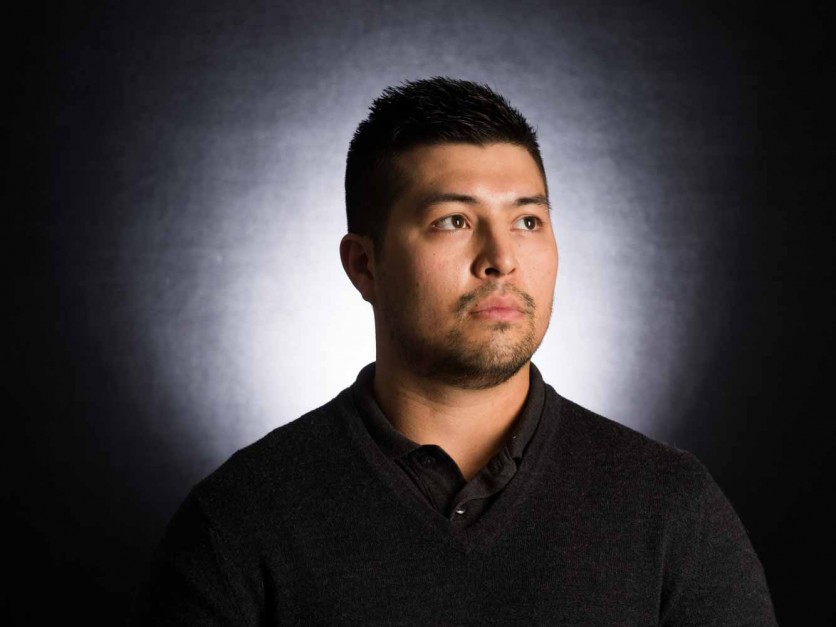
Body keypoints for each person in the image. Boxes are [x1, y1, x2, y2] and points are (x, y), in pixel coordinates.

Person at [131, 77, 777, 625]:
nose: (502, 258)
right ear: (364, 265)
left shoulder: (671, 509)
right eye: (454, 221)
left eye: (527, 221)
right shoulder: (239, 524)